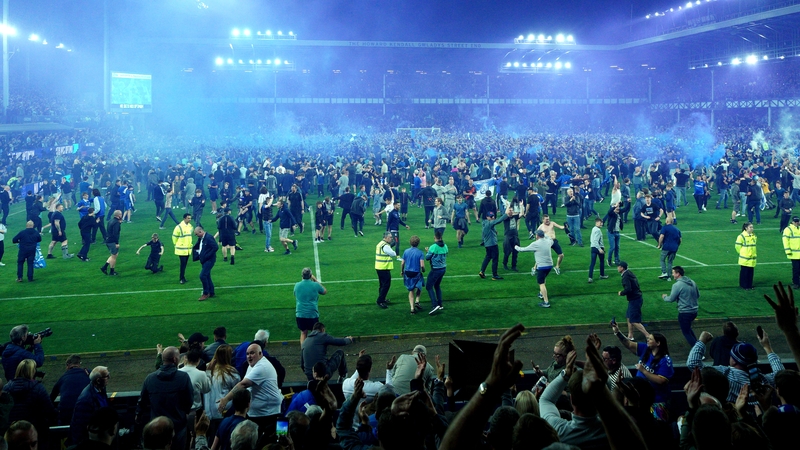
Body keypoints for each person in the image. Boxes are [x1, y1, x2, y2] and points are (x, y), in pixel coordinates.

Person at [688, 331, 785, 404]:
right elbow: (781, 374)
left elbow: (692, 363)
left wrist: (702, 341)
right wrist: (767, 347)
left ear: (734, 361)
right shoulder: (764, 382)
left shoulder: (723, 374)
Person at [217, 343, 283, 440]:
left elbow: (243, 384)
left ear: (260, 353)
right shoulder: (253, 365)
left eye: (252, 353)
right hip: (260, 413)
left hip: (267, 414)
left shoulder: (261, 367)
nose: (249, 356)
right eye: (247, 354)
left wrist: (226, 399)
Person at [611, 325, 674, 421]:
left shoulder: (665, 360)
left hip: (657, 401)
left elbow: (662, 380)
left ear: (658, 343)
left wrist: (644, 371)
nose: (647, 339)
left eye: (650, 339)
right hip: (640, 399)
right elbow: (628, 344)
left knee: (657, 426)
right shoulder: (645, 349)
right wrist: (617, 332)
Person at [136, 346, 194, 450]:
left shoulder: (150, 378)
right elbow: (188, 401)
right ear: (175, 359)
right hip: (178, 426)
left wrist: (138, 415)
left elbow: (142, 402)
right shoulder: (183, 377)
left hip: (156, 429)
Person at [3, 359, 58, 448]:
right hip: (34, 432)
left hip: (12, 434)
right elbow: (50, 412)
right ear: (33, 372)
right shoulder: (38, 389)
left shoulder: (6, 388)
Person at [69, 366, 110, 446]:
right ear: (98, 380)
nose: (109, 378)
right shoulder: (85, 400)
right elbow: (81, 429)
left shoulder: (101, 389)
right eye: (106, 376)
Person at [662, 266, 700, 346]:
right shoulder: (692, 282)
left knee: (686, 332)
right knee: (688, 329)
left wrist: (665, 297)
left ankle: (698, 352)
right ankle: (698, 346)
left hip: (685, 313)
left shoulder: (677, 285)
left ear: (678, 274)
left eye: (673, 273)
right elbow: (698, 295)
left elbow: (671, 299)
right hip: (694, 311)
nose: (672, 275)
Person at [516, 230, 555, 308]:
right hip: (550, 265)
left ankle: (546, 302)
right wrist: (546, 235)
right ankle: (541, 294)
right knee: (543, 279)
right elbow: (551, 239)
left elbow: (523, 249)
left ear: (537, 236)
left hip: (542, 266)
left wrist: (515, 247)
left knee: (541, 283)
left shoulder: (536, 244)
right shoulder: (548, 241)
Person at [50, 354, 90, 426]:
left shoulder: (63, 378)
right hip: (85, 413)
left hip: (66, 416)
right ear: (79, 364)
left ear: (68, 365)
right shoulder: (87, 373)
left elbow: (51, 398)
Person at [294, 267, 327, 343]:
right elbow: (324, 291)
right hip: (312, 314)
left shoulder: (297, 285)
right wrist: (315, 280)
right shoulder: (315, 285)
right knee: (315, 333)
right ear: (310, 275)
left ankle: (304, 351)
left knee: (303, 333)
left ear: (302, 275)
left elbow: (295, 294)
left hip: (300, 313)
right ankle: (313, 349)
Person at [617, 261, 648, 340]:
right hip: (636, 298)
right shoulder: (629, 273)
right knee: (628, 316)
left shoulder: (625, 277)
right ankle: (630, 336)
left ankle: (648, 336)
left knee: (634, 321)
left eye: (618, 266)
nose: (617, 268)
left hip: (635, 299)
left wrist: (621, 293)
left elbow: (628, 289)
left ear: (622, 268)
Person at [479, 210, 507, 280]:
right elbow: (499, 221)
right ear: (487, 217)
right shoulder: (489, 223)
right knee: (495, 259)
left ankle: (482, 271)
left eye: (493, 216)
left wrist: (494, 232)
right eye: (491, 217)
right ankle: (494, 275)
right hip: (492, 244)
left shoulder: (485, 223)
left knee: (488, 257)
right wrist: (506, 214)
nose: (493, 218)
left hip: (487, 244)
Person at [424, 231, 448, 315]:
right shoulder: (445, 246)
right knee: (437, 285)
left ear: (435, 237)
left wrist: (427, 251)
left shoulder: (433, 247)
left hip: (436, 269)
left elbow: (427, 258)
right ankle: (440, 304)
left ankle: (434, 305)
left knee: (429, 286)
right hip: (443, 268)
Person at [401, 235, 425, 314]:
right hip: (416, 273)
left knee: (411, 290)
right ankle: (417, 300)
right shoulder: (420, 252)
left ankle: (412, 308)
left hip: (408, 273)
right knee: (420, 286)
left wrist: (402, 271)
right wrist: (423, 270)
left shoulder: (406, 251)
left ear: (410, 242)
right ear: (418, 243)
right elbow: (422, 265)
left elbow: (402, 263)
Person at [194, 225, 219, 301]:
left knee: (202, 276)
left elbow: (215, 247)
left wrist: (207, 255)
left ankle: (205, 293)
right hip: (205, 260)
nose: (196, 236)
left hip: (209, 260)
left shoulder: (208, 237)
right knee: (207, 276)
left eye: (196, 234)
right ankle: (211, 292)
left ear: (200, 231)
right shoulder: (202, 238)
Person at [375, 231, 397, 309]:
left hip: (379, 267)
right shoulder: (385, 246)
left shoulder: (380, 243)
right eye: (390, 237)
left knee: (382, 285)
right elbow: (393, 254)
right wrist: (392, 248)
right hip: (384, 267)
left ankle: (382, 298)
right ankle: (380, 300)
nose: (392, 239)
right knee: (386, 285)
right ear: (386, 237)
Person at [735, 222, 757, 290]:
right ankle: (744, 285)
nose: (752, 228)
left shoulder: (753, 236)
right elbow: (737, 247)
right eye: (750, 227)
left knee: (750, 272)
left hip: (752, 258)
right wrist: (743, 253)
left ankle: (749, 285)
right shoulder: (741, 236)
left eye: (752, 227)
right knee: (745, 272)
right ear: (746, 228)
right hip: (745, 258)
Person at [100, 210, 122, 276]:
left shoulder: (111, 221)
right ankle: (112, 271)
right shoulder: (116, 223)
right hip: (112, 241)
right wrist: (117, 243)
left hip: (108, 240)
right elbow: (115, 233)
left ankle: (105, 267)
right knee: (114, 256)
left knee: (114, 255)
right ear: (119, 215)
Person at [173, 213, 193, 284]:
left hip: (187, 249)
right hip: (181, 249)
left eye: (190, 218)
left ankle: (183, 277)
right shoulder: (179, 227)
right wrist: (177, 244)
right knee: (183, 264)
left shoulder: (190, 226)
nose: (190, 219)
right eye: (188, 218)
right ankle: (181, 278)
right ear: (184, 218)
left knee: (184, 264)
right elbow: (174, 237)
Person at [588, 217, 608, 283]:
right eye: (600, 222)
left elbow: (592, 240)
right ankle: (602, 275)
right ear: (596, 222)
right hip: (598, 247)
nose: (601, 224)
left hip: (593, 247)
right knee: (602, 261)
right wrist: (600, 249)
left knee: (592, 263)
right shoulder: (598, 230)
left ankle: (590, 277)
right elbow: (596, 240)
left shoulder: (593, 229)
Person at [782, 216, 800, 289]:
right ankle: (796, 282)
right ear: (792, 222)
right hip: (794, 254)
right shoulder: (788, 229)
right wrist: (787, 251)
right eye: (796, 222)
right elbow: (785, 241)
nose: (797, 223)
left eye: (798, 221)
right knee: (796, 269)